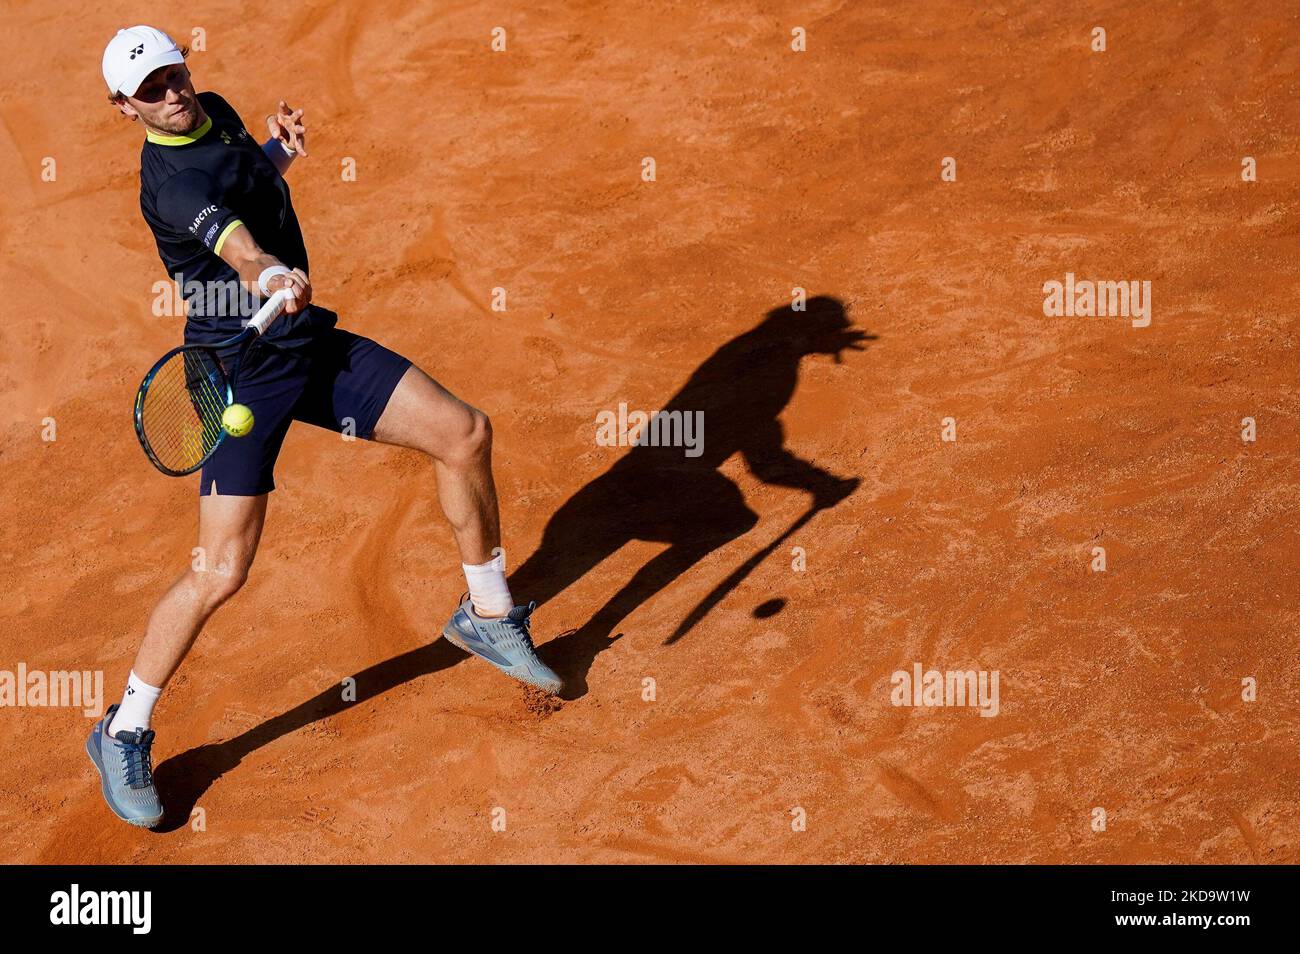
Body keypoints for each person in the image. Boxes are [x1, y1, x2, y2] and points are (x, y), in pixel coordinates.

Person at [87, 25, 560, 830]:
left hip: (303, 344)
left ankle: (485, 615)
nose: (173, 93)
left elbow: (242, 187)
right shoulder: (168, 184)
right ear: (124, 108)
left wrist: (277, 152)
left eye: (174, 72)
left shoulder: (216, 112)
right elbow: (230, 241)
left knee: (464, 433)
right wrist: (266, 269)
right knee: (221, 570)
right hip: (238, 372)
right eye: (152, 89)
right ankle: (122, 729)